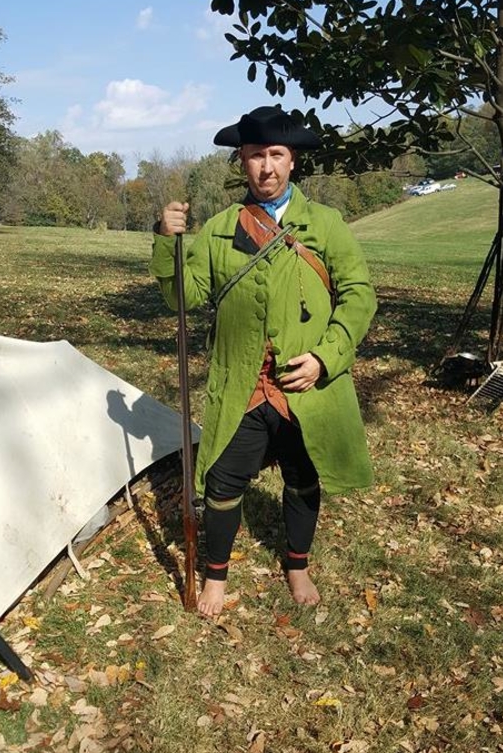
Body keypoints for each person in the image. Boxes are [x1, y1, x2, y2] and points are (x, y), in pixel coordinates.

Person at [150, 106, 376, 618]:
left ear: (292, 160)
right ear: (242, 161)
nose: (266, 167)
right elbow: (181, 296)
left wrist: (326, 357)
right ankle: (215, 577)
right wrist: (167, 241)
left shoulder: (326, 224)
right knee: (224, 483)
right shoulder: (221, 228)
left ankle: (297, 565)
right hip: (242, 384)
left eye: (276, 155)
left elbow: (360, 295)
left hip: (307, 385)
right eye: (256, 156)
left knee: (303, 478)